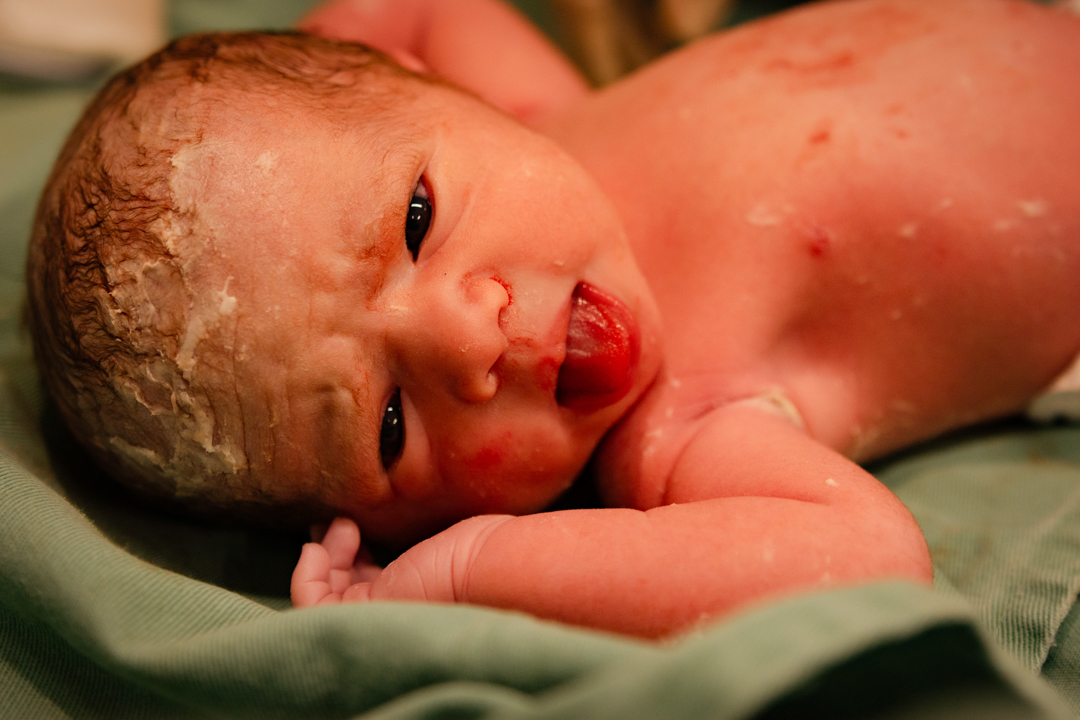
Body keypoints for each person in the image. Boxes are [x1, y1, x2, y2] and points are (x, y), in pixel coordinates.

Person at [25, 0, 1080, 638]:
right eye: (389, 426)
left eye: (416, 221)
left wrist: (318, 61)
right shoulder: (683, 431)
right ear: (399, 522)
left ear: (429, 91)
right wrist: (467, 573)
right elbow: (866, 558)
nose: (467, 340)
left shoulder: (539, 115)